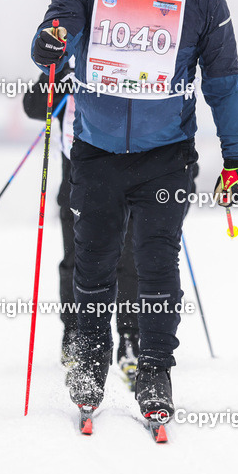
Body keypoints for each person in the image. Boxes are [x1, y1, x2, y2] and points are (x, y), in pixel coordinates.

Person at [29, 0, 238, 426]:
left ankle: (154, 373)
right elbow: (53, 33)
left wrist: (236, 158)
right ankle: (89, 365)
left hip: (166, 155)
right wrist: (50, 42)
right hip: (96, 151)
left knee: (156, 264)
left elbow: (223, 83)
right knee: (93, 261)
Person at [22, 69, 141, 389]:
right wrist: (57, 71)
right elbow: (34, 107)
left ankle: (129, 338)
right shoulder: (68, 65)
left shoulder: (123, 58)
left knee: (128, 262)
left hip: (127, 179)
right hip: (78, 185)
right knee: (75, 261)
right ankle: (75, 334)